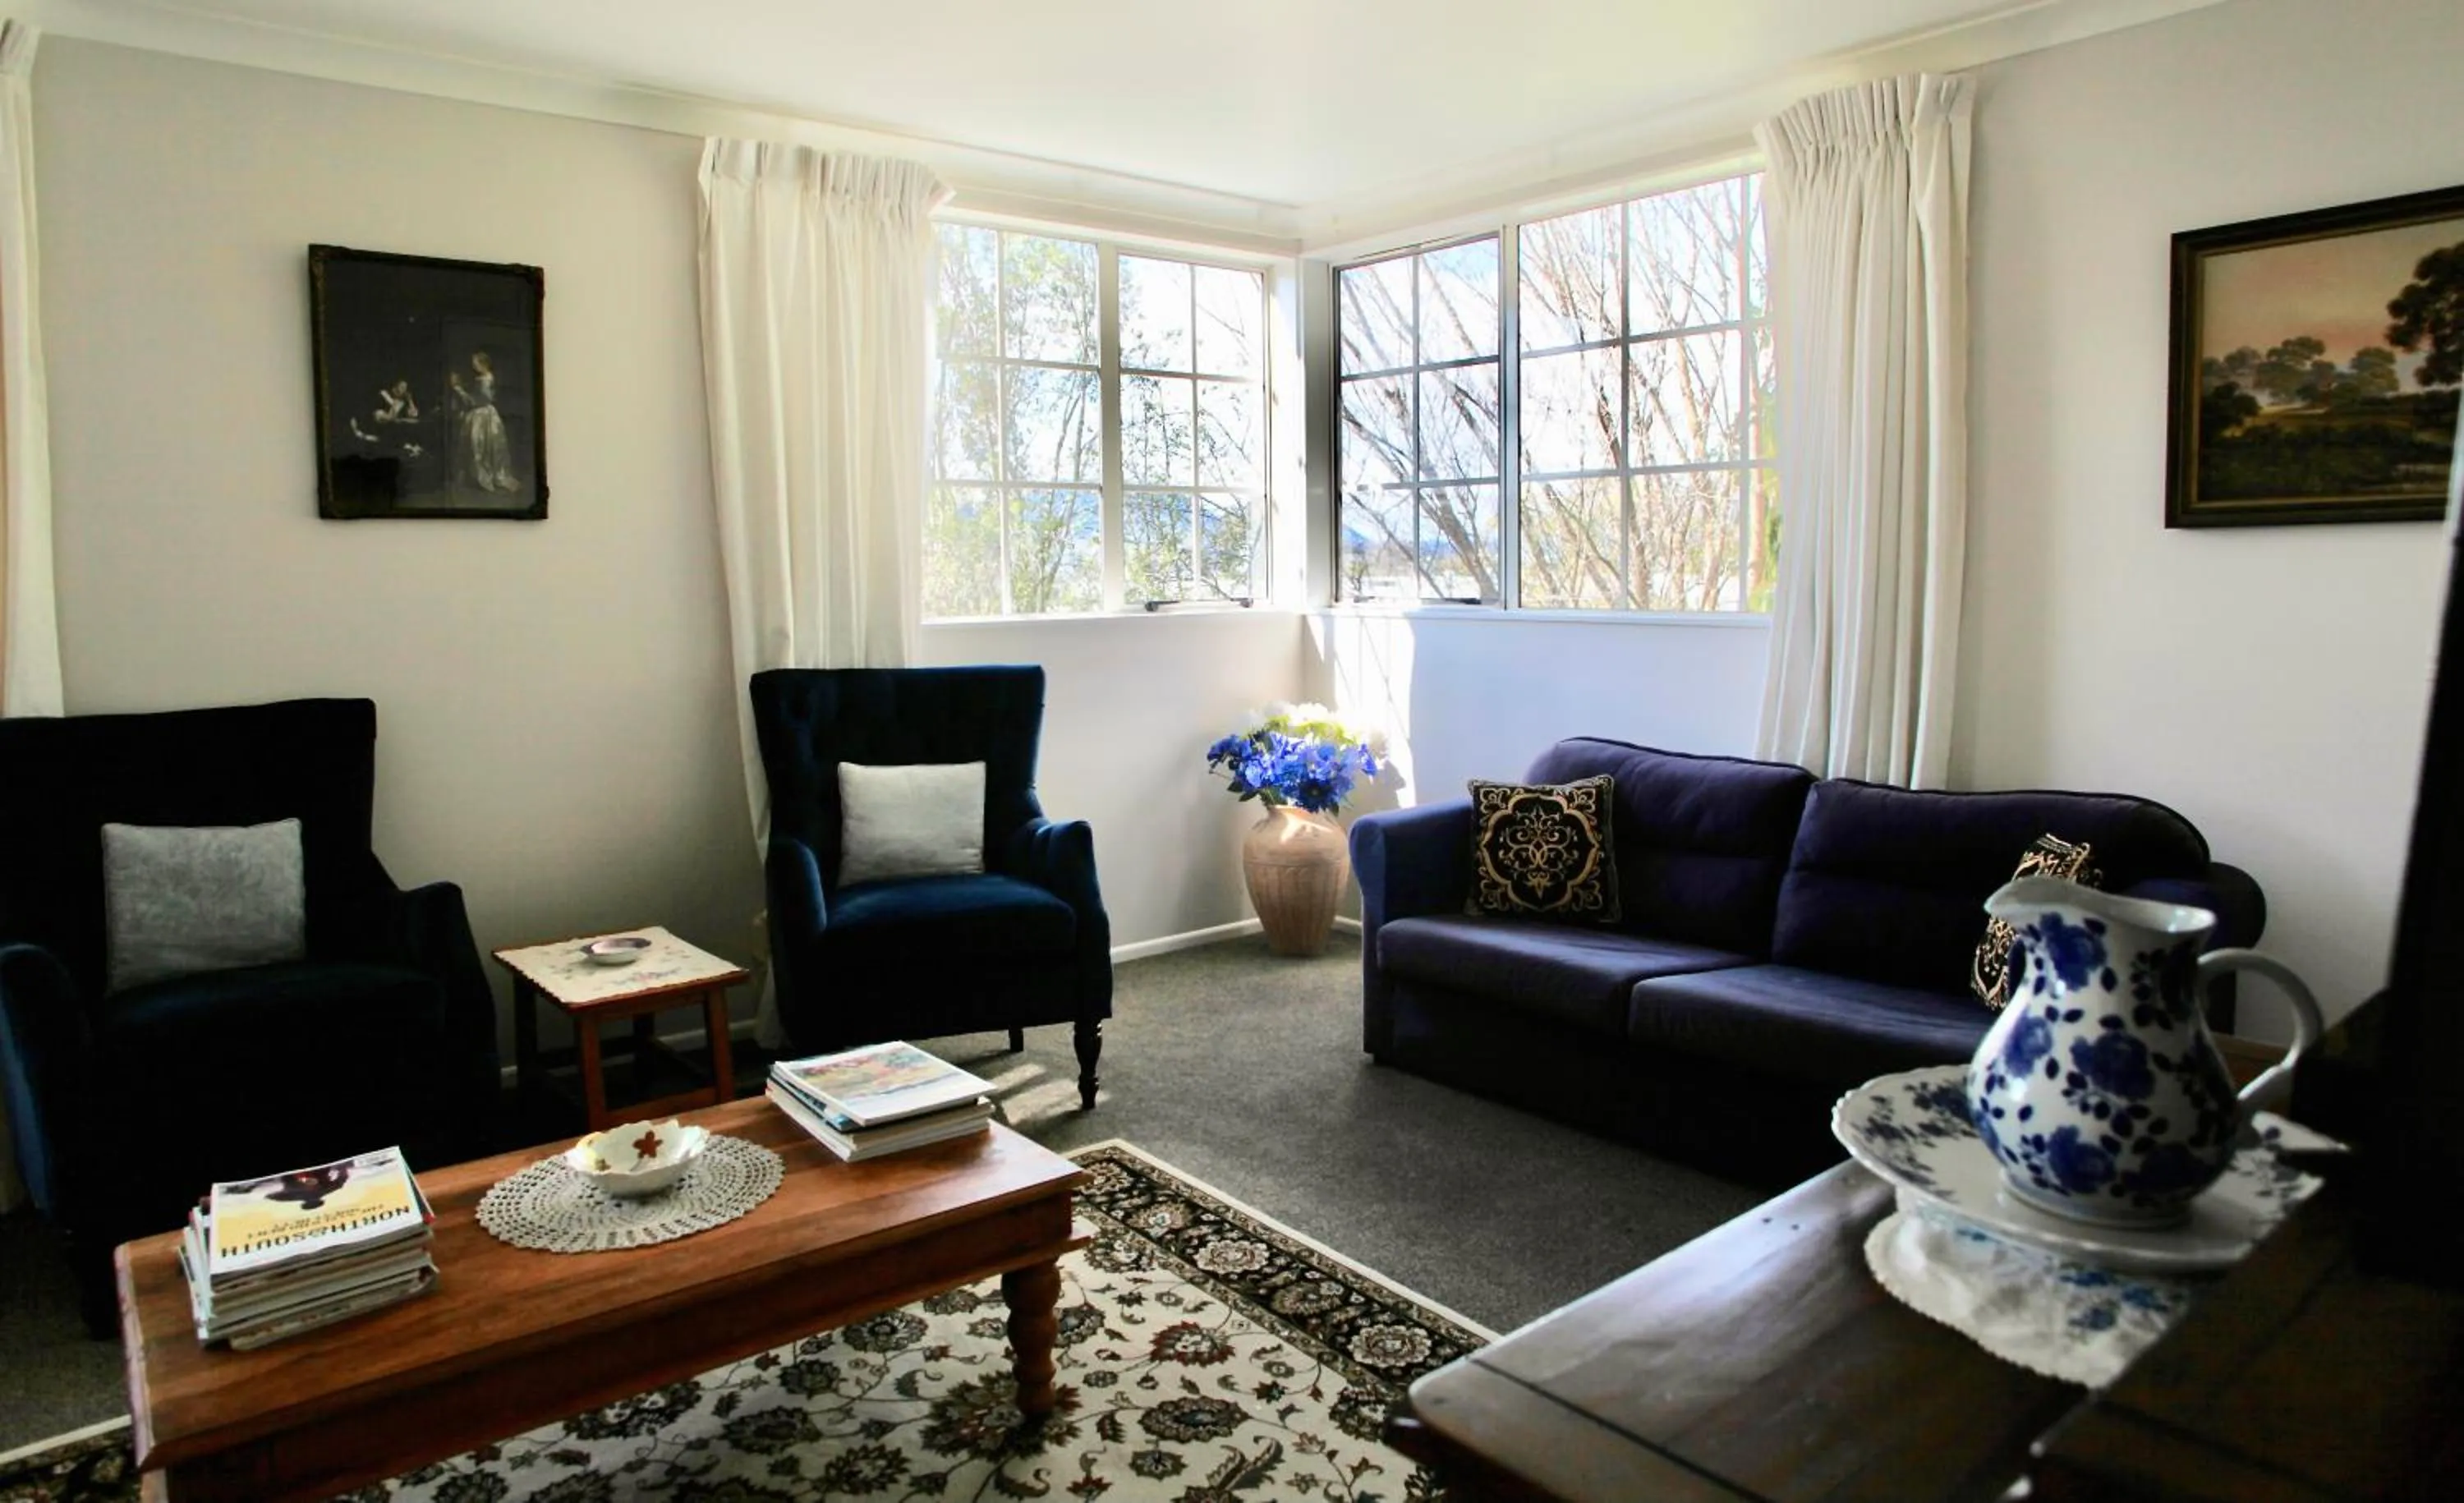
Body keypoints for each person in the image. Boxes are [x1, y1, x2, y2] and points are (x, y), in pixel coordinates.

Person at [449, 351, 521, 494]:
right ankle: (475, 476)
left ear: (483, 364)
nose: (473, 366)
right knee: (477, 446)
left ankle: (483, 476)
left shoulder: (485, 380)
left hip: (482, 414)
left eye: (475, 363)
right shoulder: (481, 378)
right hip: (483, 413)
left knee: (480, 445)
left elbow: (476, 401)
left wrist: (459, 390)